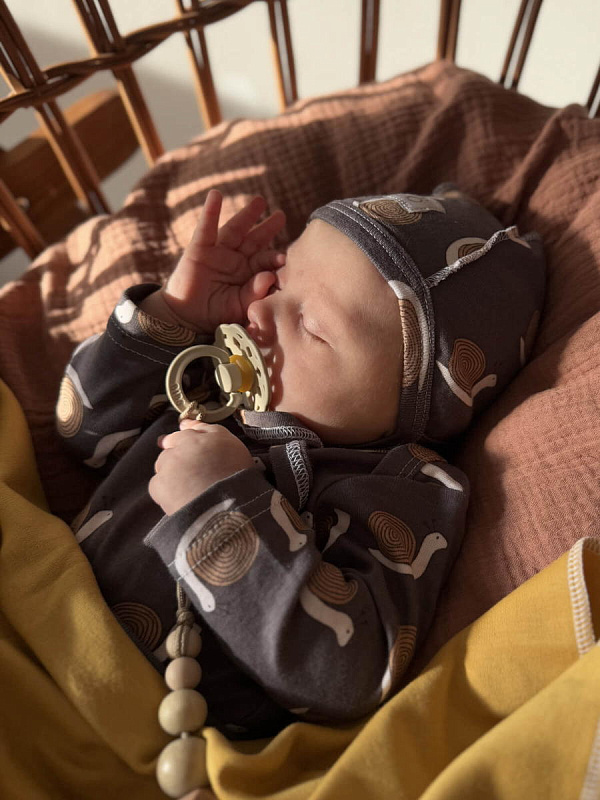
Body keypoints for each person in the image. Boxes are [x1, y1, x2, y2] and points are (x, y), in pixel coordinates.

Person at [56, 186, 545, 738]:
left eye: (313, 328)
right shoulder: (207, 377)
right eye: (280, 281)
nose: (259, 309)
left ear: (413, 406)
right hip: (43, 608)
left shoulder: (399, 485)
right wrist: (172, 313)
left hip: (127, 728)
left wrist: (218, 509)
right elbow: (82, 434)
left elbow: (346, 676)